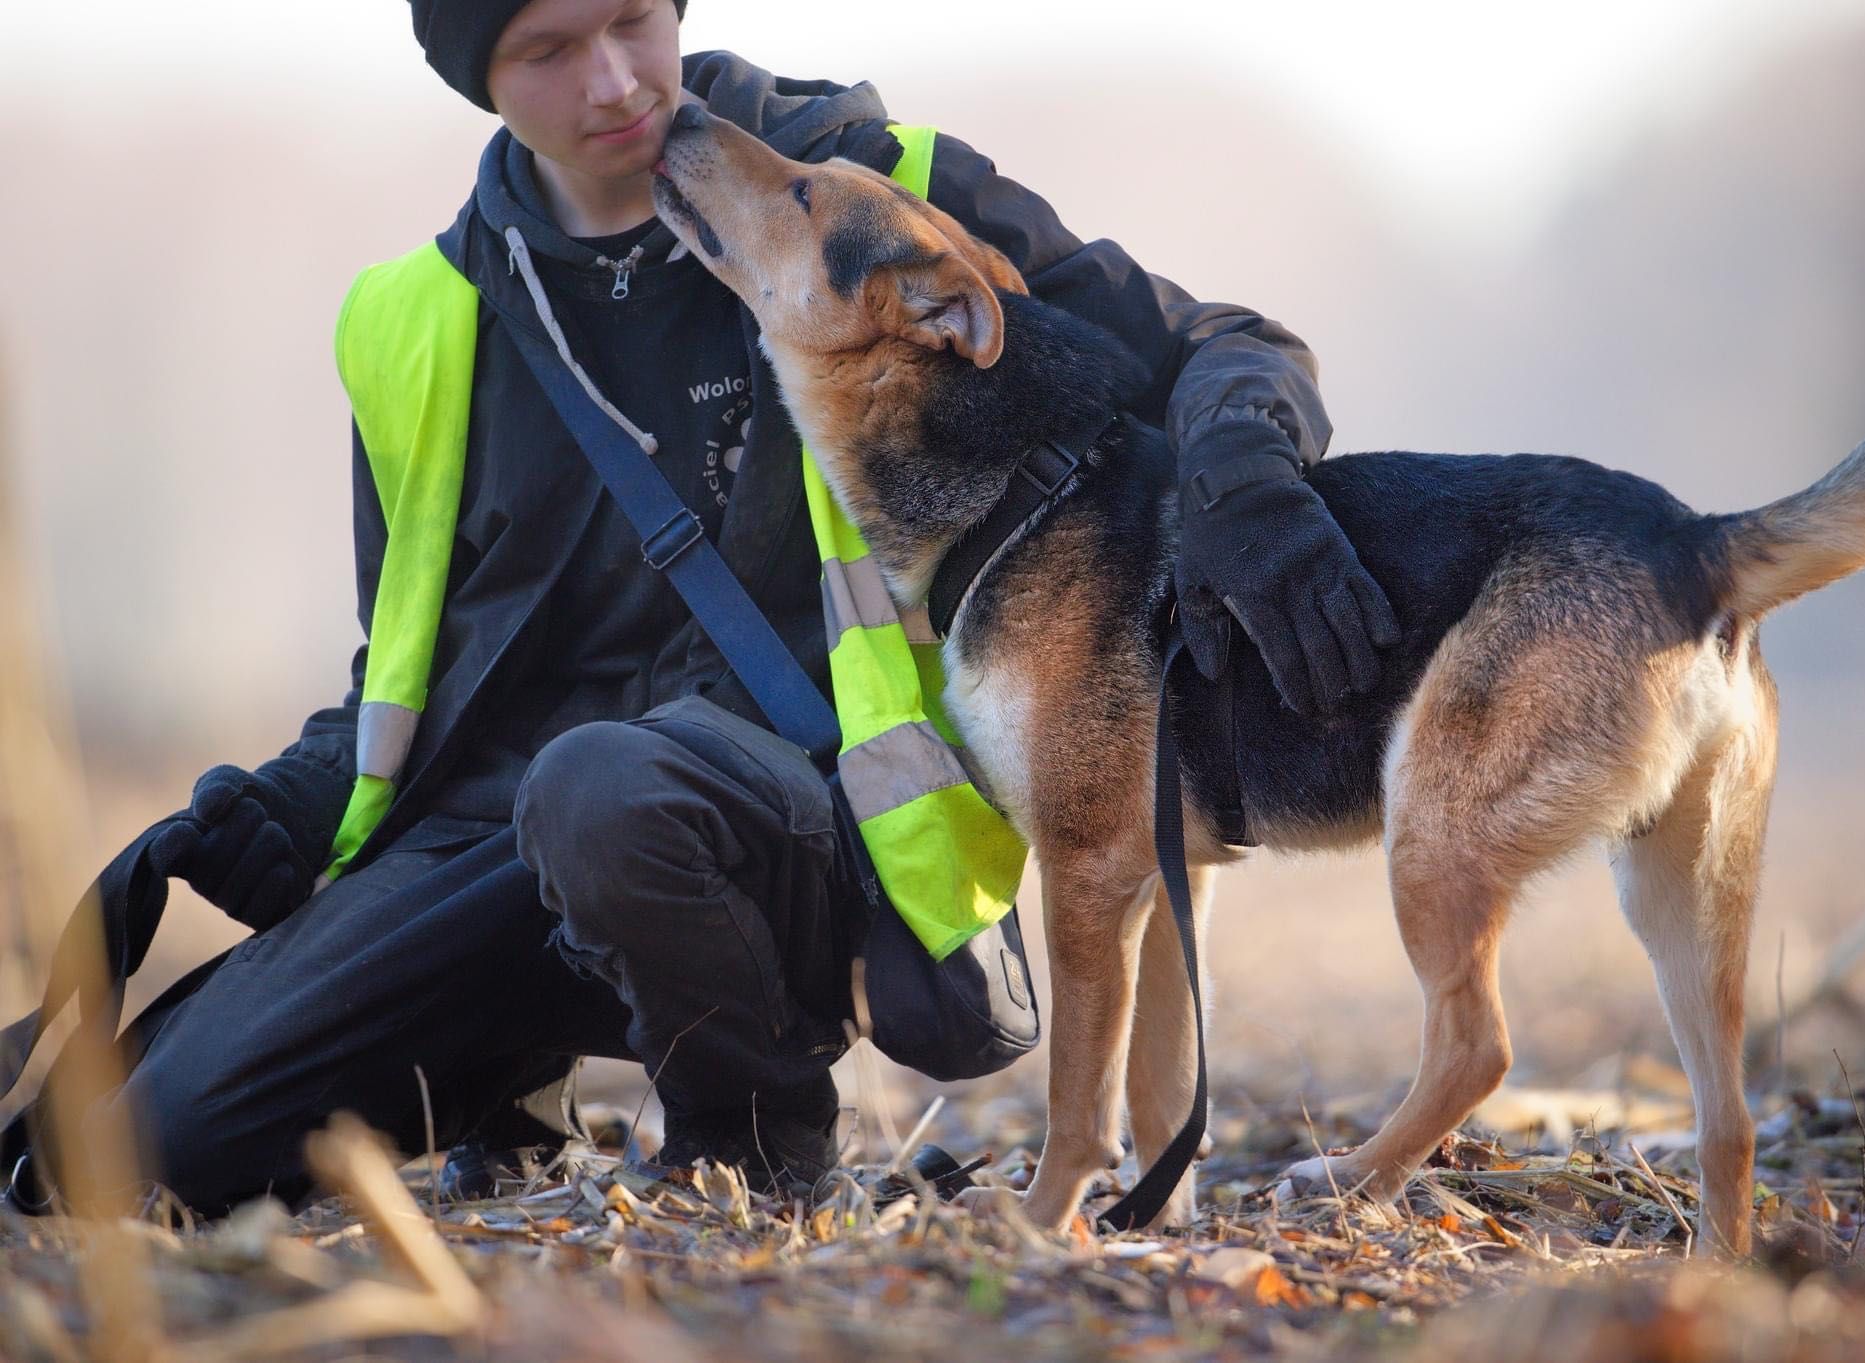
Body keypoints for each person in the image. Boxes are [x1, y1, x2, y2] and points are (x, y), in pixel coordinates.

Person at [27, 0, 1398, 1215]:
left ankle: (754, 1134)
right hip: (502, 841)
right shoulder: (413, 316)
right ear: (480, 78)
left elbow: (1229, 342)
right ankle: (499, 1075)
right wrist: (285, 803)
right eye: (549, 49)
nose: (618, 80)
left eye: (635, 19)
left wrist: (1245, 474)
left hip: (793, 832)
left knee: (607, 787)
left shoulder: (875, 197)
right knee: (136, 1159)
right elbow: (408, 664)